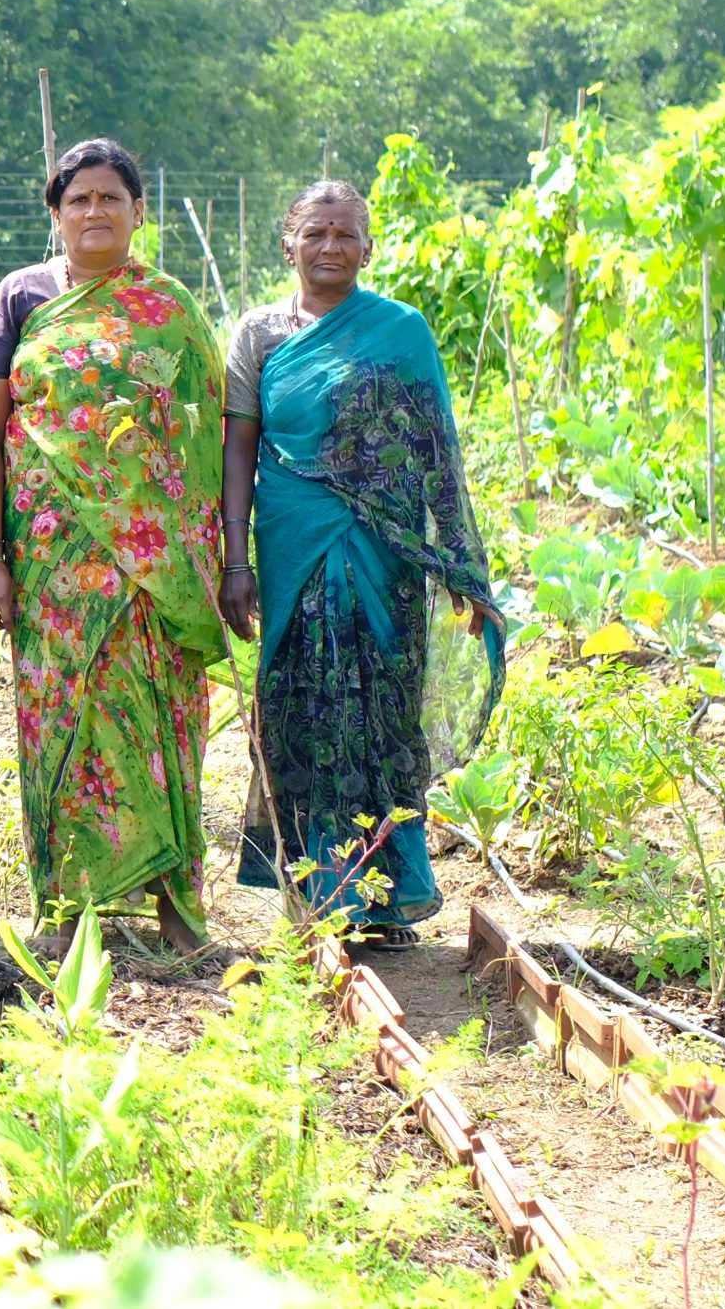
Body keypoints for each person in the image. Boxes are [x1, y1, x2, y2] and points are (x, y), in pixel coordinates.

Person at [220, 181, 504, 945]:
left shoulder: (401, 331)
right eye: (315, 233)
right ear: (289, 245)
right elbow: (239, 447)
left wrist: (460, 568)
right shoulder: (257, 336)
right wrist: (234, 557)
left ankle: (382, 892)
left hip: (385, 551)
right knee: (298, 707)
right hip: (292, 538)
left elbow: (437, 449)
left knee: (381, 708)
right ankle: (311, 888)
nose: (330, 246)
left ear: (368, 247)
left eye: (345, 234)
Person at [0, 138, 223, 953]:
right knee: (57, 717)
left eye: (111, 197)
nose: (95, 212)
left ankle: (177, 906)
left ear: (139, 211)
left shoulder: (172, 307)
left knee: (163, 720)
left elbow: (207, 430)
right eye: (78, 200)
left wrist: (212, 556)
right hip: (52, 558)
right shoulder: (19, 299)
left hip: (154, 563)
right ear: (56, 214)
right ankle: (68, 910)